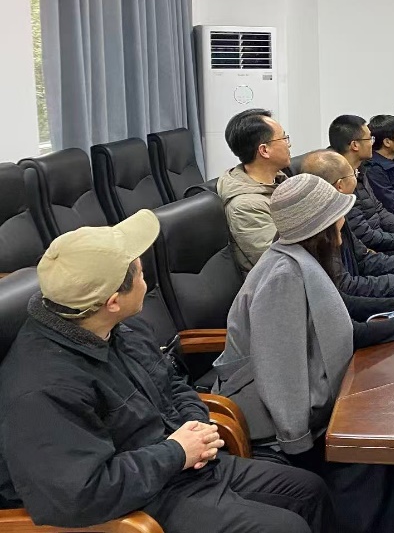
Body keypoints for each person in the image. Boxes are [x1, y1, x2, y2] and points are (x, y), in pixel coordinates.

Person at [0, 211, 332, 533]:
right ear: (113, 301)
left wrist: (196, 426)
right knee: (286, 527)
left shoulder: (121, 328)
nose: (147, 282)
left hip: (181, 467)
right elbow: (81, 494)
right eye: (141, 275)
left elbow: (173, 383)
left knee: (309, 491)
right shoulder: (42, 389)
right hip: (139, 503)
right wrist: (175, 452)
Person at [213, 174, 394, 533]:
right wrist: (299, 443)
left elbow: (334, 332)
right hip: (277, 425)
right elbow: (280, 370)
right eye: (338, 216)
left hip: (304, 399)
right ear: (321, 226)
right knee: (378, 437)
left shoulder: (300, 259)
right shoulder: (283, 276)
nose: (343, 224)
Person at [301, 150, 394, 299]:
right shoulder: (318, 233)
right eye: (353, 174)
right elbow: (348, 292)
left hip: (367, 289)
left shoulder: (337, 215)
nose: (357, 177)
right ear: (340, 185)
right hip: (360, 304)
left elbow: (364, 259)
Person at [329, 115, 394, 258]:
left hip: (383, 242)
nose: (373, 143)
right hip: (369, 254)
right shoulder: (339, 181)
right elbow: (363, 234)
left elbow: (379, 209)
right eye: (369, 139)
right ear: (355, 145)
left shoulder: (360, 169)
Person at [219, 108, 291, 273]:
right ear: (264, 150)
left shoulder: (279, 180)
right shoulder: (245, 206)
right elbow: (279, 263)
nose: (289, 144)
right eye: (284, 138)